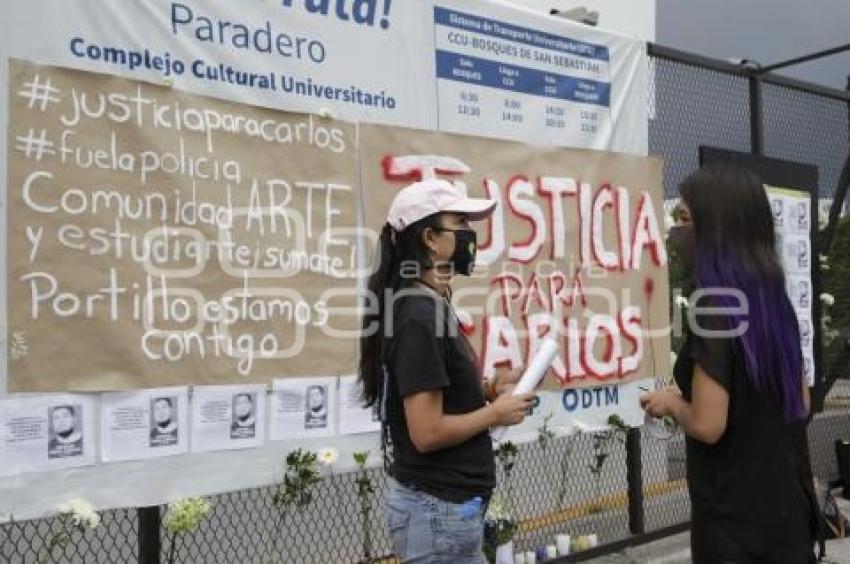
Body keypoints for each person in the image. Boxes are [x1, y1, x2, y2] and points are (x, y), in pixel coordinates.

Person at [641, 165, 819, 563]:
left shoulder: (714, 306)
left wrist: (672, 404)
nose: (675, 231)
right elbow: (801, 402)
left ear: (717, 228)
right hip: (786, 514)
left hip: (733, 524)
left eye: (684, 219)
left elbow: (708, 424)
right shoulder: (775, 302)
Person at [359, 178, 534, 563]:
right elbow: (427, 431)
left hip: (445, 512)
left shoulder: (427, 304)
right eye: (461, 223)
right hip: (435, 514)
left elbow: (436, 395)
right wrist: (494, 413)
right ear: (430, 239)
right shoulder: (418, 315)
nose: (471, 235)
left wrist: (487, 389)